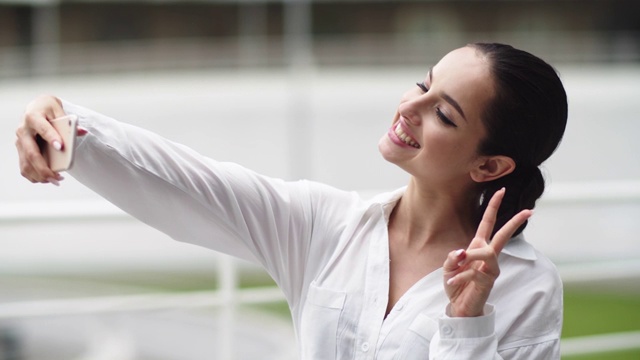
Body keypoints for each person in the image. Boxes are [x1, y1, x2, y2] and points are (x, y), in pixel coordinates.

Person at [15, 42, 567, 359]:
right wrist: (63, 120)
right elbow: (189, 183)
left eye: (444, 114)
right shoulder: (326, 225)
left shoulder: (527, 286)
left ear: (490, 166)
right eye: (422, 85)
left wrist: (466, 323)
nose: (410, 108)